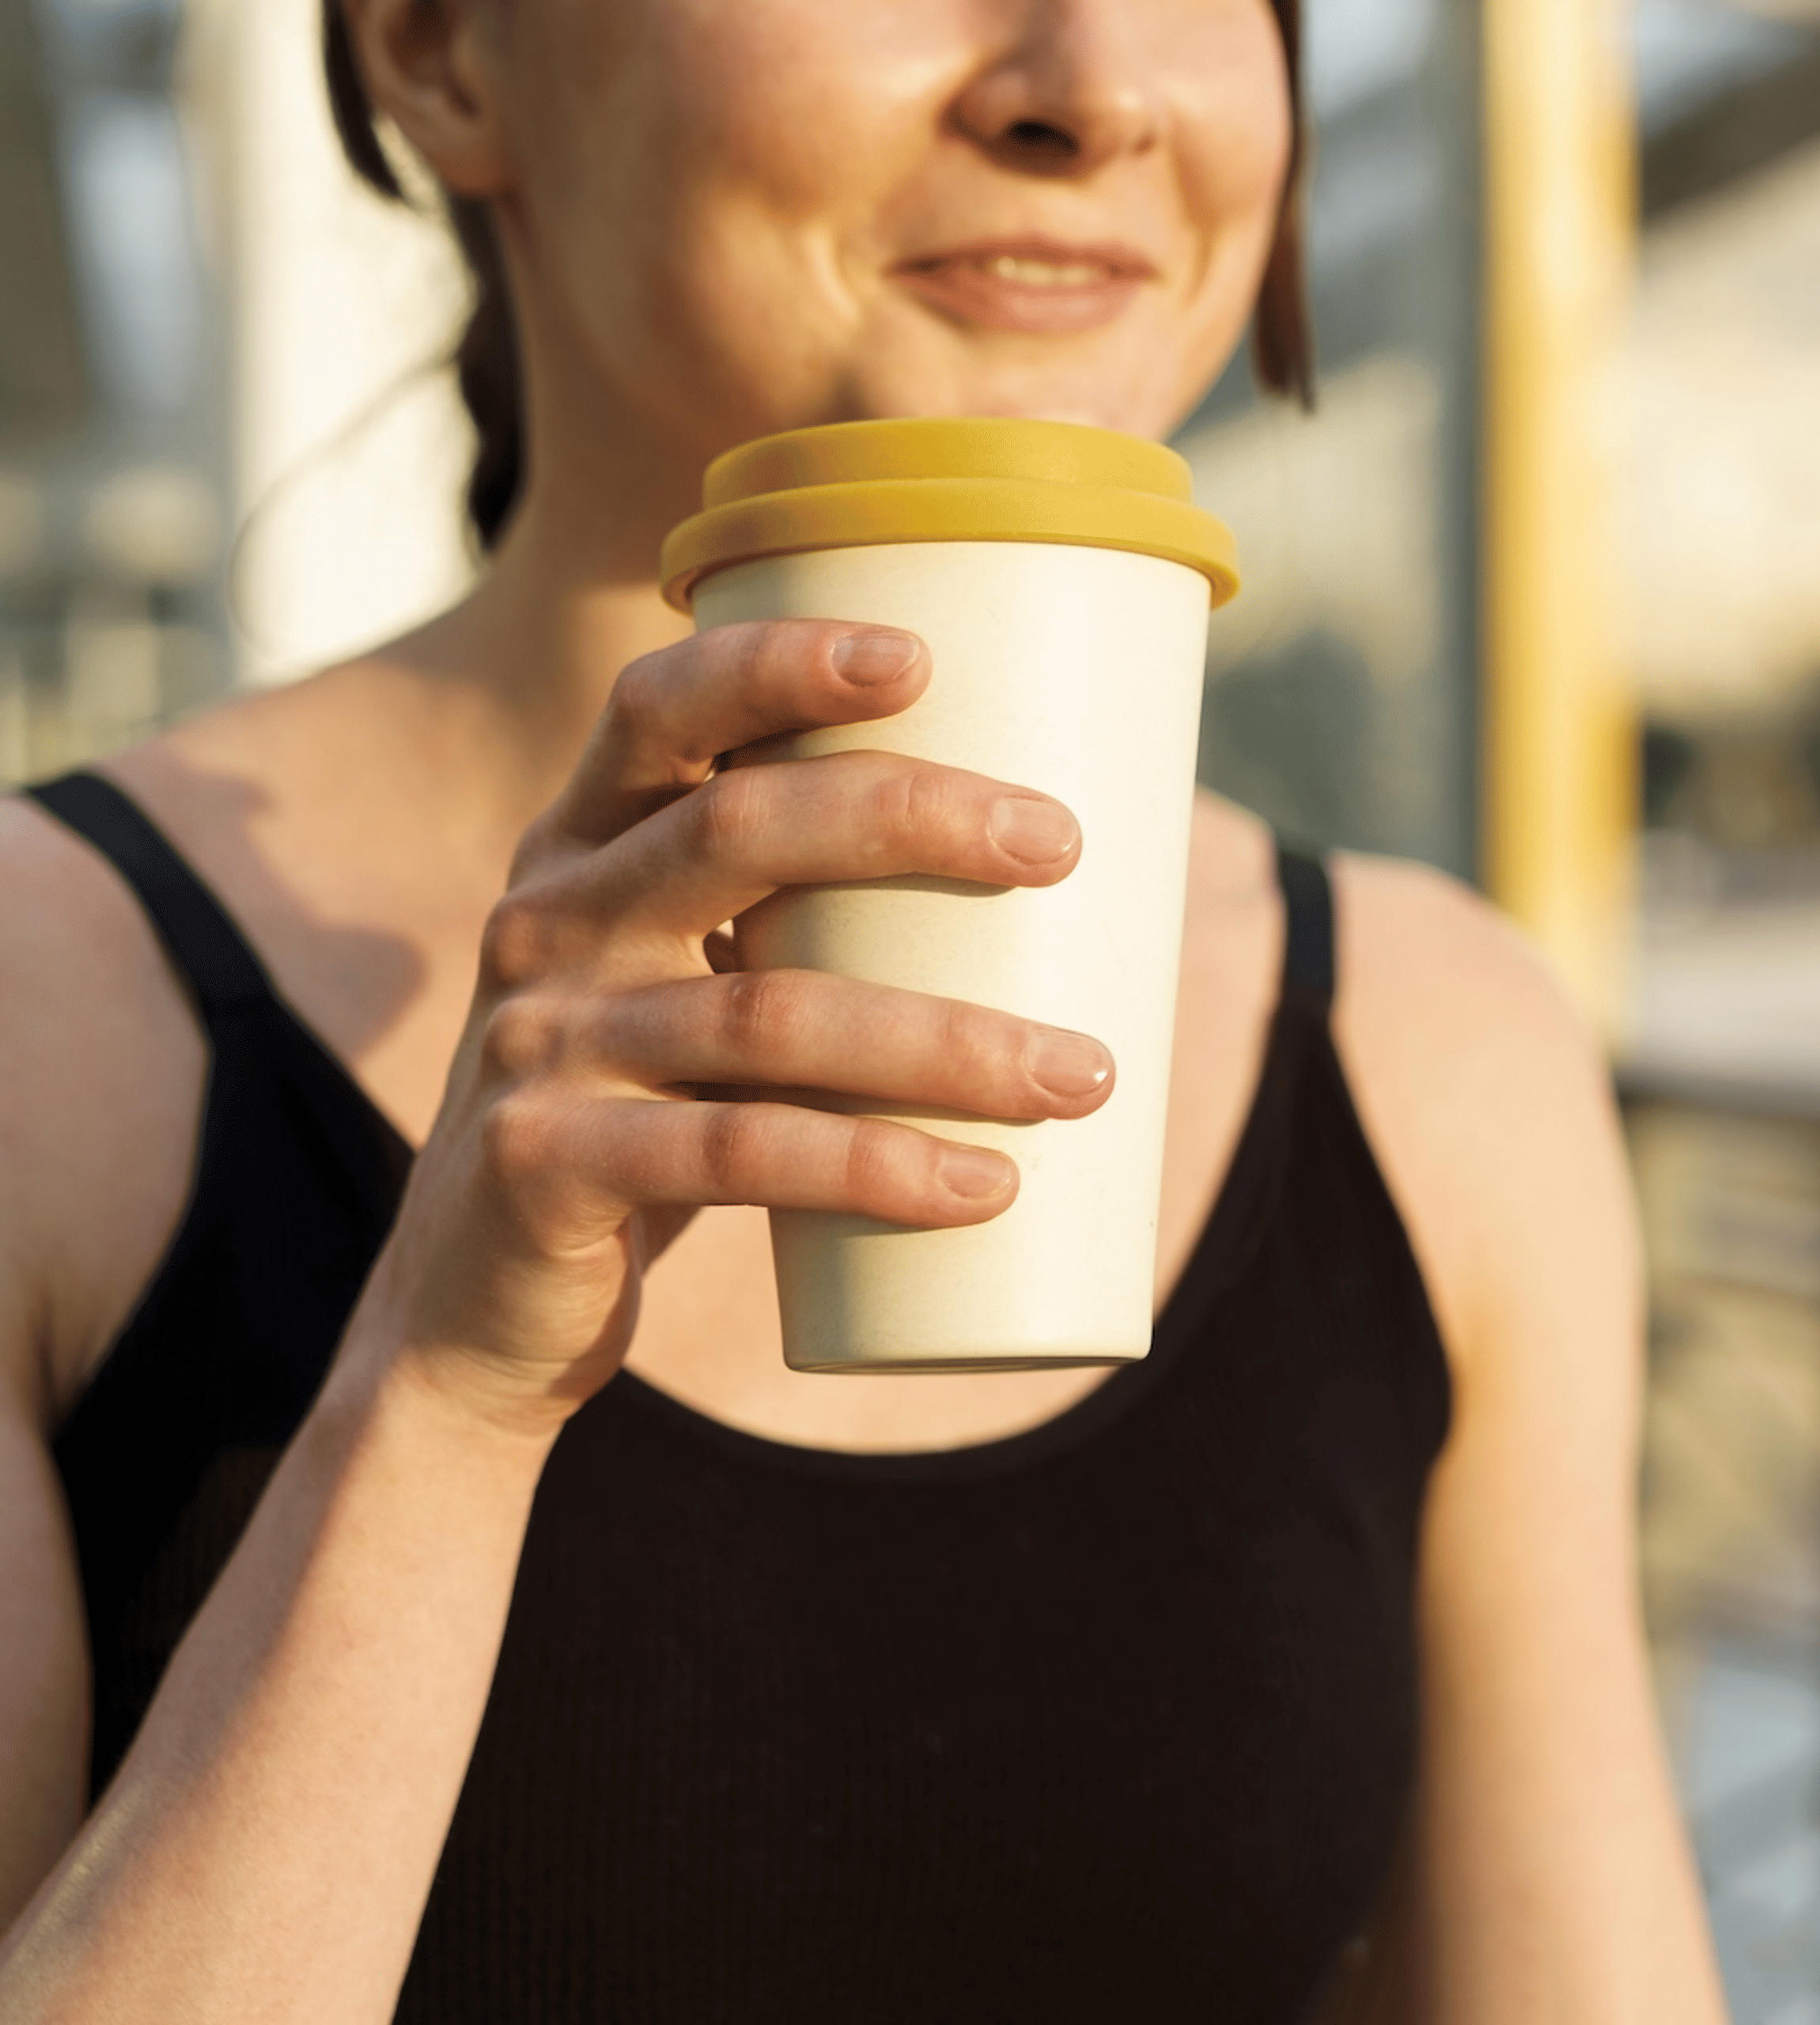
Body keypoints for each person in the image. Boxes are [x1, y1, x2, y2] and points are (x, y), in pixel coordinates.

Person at [0, 0, 1726, 2016]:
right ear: (446, 53)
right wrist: (437, 1403)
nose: (1092, 88)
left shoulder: (1437, 1048)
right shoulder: (57, 1018)